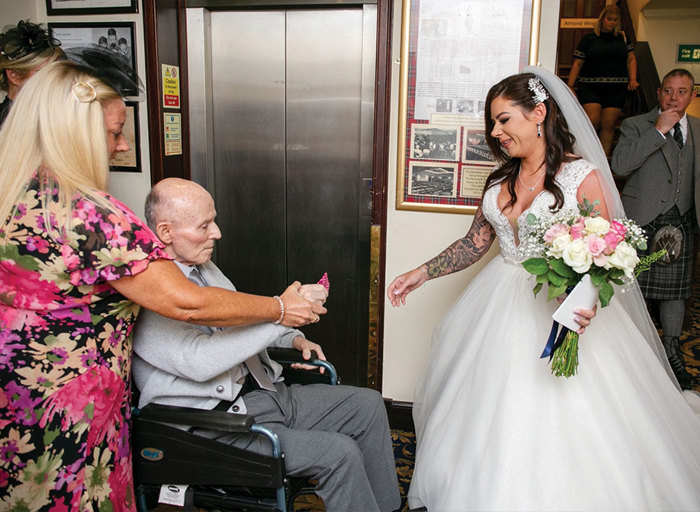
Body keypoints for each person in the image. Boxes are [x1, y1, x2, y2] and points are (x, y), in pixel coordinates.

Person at [0, 61, 324, 510]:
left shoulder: (15, 198)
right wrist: (279, 309)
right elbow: (188, 304)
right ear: (73, 132)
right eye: (114, 133)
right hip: (70, 401)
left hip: (16, 390)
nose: (123, 145)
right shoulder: (91, 216)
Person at [388, 67, 700, 511]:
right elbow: (477, 242)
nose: (495, 133)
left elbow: (611, 250)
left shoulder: (581, 176)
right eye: (492, 123)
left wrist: (584, 302)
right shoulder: (499, 180)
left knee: (571, 415)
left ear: (538, 114)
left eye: (503, 120)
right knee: (490, 408)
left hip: (562, 304)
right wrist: (422, 272)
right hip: (499, 302)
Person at [132, 178, 402, 512]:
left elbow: (245, 321)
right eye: (204, 226)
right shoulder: (148, 294)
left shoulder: (203, 267)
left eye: (213, 220)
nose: (216, 232)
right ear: (166, 232)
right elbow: (198, 362)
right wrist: (282, 315)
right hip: (216, 427)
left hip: (266, 394)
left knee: (368, 404)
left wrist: (293, 337)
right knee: (339, 453)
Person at [611, 68, 699, 390]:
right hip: (643, 220)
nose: (674, 97)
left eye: (682, 91)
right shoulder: (637, 125)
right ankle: (632, 351)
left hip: (684, 219)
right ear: (659, 93)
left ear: (692, 95)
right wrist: (658, 132)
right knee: (634, 288)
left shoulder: (699, 130)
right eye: (668, 90)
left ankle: (673, 350)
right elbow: (619, 166)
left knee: (676, 293)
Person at [566, 5, 638, 156]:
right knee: (592, 121)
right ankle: (585, 155)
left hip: (616, 87)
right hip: (590, 85)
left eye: (614, 20)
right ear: (602, 19)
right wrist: (570, 86)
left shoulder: (622, 39)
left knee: (609, 124)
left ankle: (602, 161)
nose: (611, 22)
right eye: (609, 19)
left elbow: (631, 59)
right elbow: (577, 63)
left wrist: (633, 79)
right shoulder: (589, 39)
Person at [0, 19, 64, 125]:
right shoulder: (5, 125)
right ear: (14, 75)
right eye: (43, 73)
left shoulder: (59, 116)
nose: (53, 80)